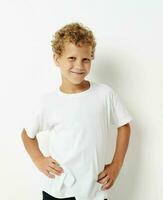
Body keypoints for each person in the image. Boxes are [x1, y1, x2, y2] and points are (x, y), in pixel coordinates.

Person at [21, 22, 132, 200]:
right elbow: (27, 135)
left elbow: (124, 126)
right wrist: (39, 160)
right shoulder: (48, 102)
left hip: (95, 190)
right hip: (58, 189)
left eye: (85, 59)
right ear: (57, 59)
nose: (79, 66)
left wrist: (116, 164)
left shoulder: (104, 94)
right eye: (71, 58)